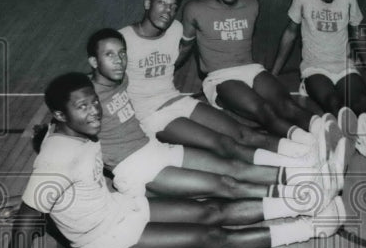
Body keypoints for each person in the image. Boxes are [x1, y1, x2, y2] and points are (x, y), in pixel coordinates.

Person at [0, 73, 345, 248]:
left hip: (119, 207)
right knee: (212, 237)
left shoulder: (83, 133)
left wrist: (43, 213)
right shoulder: (55, 158)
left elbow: (74, 194)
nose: (94, 112)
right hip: (107, 241)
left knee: (212, 210)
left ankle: (305, 201)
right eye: (82, 107)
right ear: (60, 115)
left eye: (94, 103)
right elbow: (24, 225)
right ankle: (313, 228)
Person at [87, 28, 344, 202]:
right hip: (138, 160)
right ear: (93, 61)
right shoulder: (88, 97)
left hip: (155, 142)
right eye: (109, 55)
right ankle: (305, 194)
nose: (119, 60)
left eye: (122, 53)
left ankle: (308, 164)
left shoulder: (121, 80)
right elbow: (73, 136)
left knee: (237, 145)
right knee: (223, 189)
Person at [121, 0, 321, 166]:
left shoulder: (175, 29)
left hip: (177, 100)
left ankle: (312, 149)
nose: (168, 11)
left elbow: (178, 59)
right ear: (147, 4)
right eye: (161, 3)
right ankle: (298, 166)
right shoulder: (123, 40)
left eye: (173, 6)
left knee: (243, 133)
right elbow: (104, 87)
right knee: (223, 144)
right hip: (151, 114)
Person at [181, 0, 329, 140]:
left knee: (286, 105)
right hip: (220, 76)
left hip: (252, 69)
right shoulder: (195, 9)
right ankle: (310, 143)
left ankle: (325, 130)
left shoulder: (252, 4)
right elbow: (186, 46)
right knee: (263, 109)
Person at [270, 0, 366, 155]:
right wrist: (273, 72)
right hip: (314, 67)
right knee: (333, 101)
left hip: (343, 65)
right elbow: (291, 32)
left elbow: (357, 31)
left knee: (362, 101)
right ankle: (355, 138)